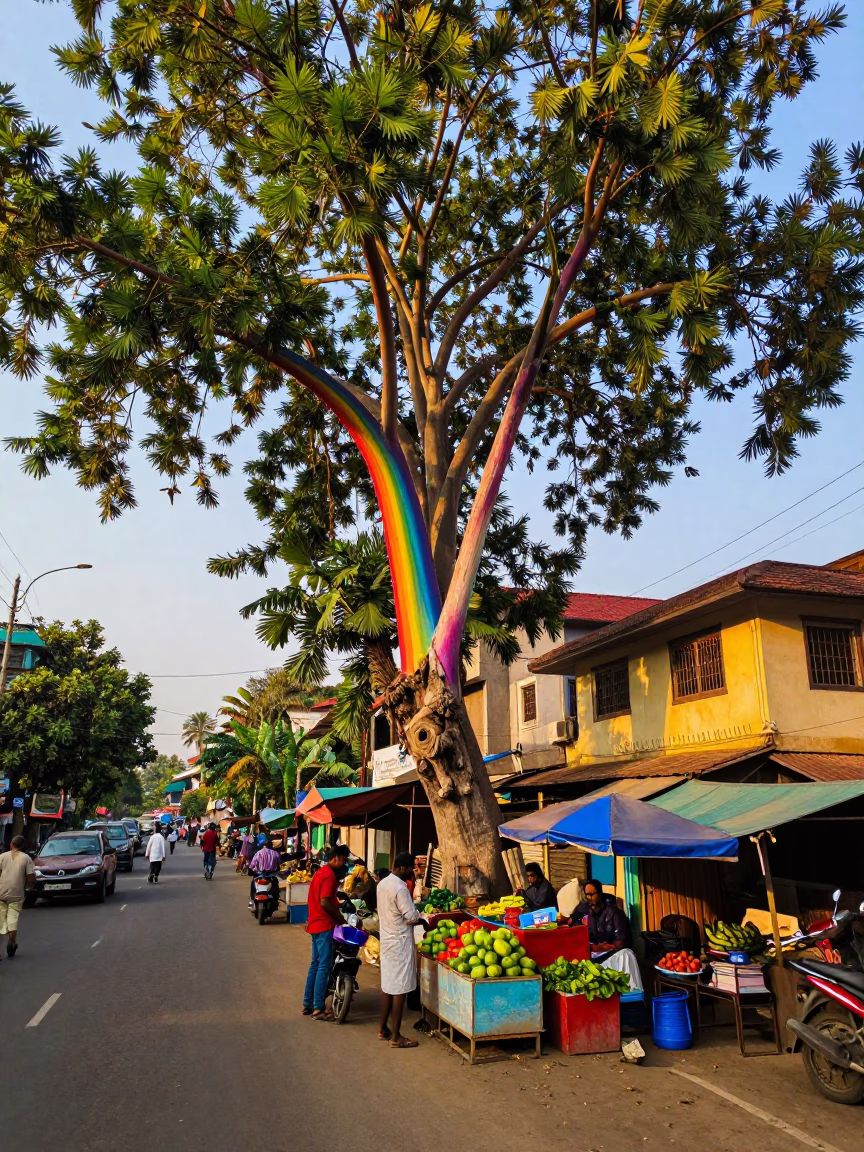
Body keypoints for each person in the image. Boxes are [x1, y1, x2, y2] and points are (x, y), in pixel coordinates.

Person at [377, 851, 425, 1049]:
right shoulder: (400, 887)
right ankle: (396, 1037)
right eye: (411, 869)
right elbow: (411, 916)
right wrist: (420, 917)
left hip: (387, 941)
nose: (412, 872)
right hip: (400, 943)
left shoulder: (382, 884)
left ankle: (382, 1029)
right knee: (400, 989)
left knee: (388, 986)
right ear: (403, 868)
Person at [303, 844, 350, 1021]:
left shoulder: (321, 872)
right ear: (336, 858)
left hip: (315, 923)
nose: (343, 863)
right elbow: (324, 902)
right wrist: (339, 919)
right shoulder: (329, 876)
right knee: (324, 965)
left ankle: (308, 1003)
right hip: (324, 925)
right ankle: (318, 1008)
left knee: (315, 964)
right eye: (344, 860)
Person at [568, 880, 643, 991]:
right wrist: (572, 919)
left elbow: (621, 942)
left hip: (612, 957)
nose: (589, 898)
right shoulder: (586, 909)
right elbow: (574, 918)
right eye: (587, 895)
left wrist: (606, 947)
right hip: (594, 958)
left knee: (626, 955)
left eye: (592, 894)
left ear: (599, 893)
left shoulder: (615, 914)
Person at [0, 835, 35, 958]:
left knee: (0, 921)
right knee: (12, 920)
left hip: (1, 893)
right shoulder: (26, 858)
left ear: (11, 844)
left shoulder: (2, 857)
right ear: (23, 846)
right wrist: (30, 887)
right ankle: (11, 942)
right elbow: (31, 877)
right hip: (16, 894)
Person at [248, 836, 282, 907]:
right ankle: (276, 900)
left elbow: (252, 865)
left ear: (264, 846)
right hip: (271, 875)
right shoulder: (275, 853)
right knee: (276, 886)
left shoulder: (258, 853)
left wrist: (251, 870)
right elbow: (279, 864)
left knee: (253, 886)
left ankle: (251, 902)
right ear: (272, 846)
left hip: (259, 874)